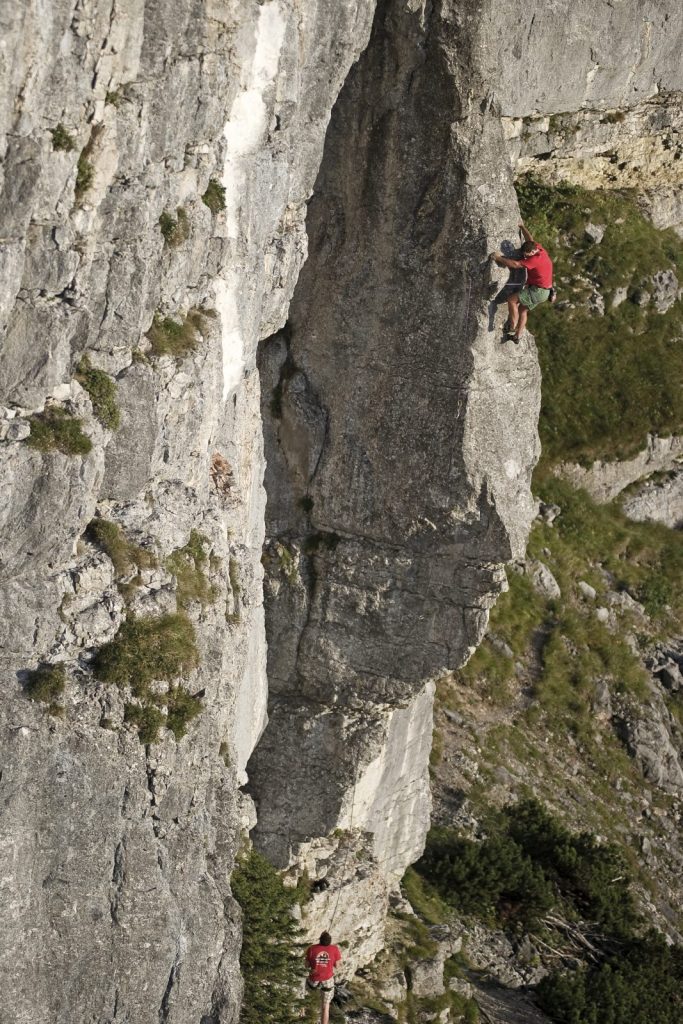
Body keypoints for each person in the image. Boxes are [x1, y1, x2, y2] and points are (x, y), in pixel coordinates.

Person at [491, 223, 554, 343]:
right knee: (523, 310)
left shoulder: (534, 259)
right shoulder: (539, 249)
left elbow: (515, 265)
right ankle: (517, 336)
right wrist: (522, 227)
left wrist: (498, 258)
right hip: (545, 292)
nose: (525, 257)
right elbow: (530, 239)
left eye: (527, 255)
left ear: (532, 252)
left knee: (512, 300)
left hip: (537, 291)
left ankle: (512, 326)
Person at [305, 931, 342, 1024]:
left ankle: (303, 1015)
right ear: (330, 941)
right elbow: (337, 966)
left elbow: (306, 965)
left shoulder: (312, 949)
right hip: (327, 980)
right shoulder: (334, 949)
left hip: (313, 980)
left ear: (320, 940)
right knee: (325, 1007)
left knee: (306, 998)